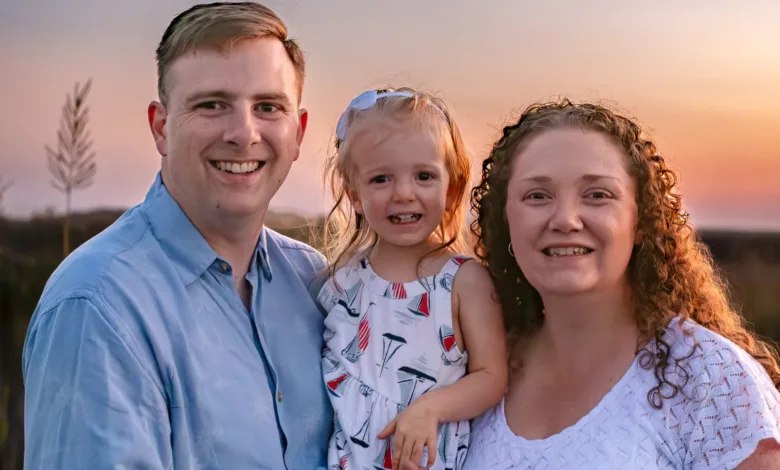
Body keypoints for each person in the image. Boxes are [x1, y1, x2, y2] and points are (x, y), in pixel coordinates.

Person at [22, 2, 333, 468]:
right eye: (212, 104)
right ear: (161, 127)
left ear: (298, 131)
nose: (243, 133)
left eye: (268, 107)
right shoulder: (98, 306)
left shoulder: (318, 284)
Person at [462, 98, 780, 469]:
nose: (565, 219)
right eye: (538, 196)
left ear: (641, 222)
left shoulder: (710, 379)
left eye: (598, 195)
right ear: (505, 223)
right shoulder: (477, 367)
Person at [317, 87, 508, 470]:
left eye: (423, 176)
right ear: (354, 194)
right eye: (381, 179)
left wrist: (431, 408)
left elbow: (492, 376)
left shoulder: (462, 281)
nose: (403, 194)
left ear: (451, 189)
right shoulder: (342, 281)